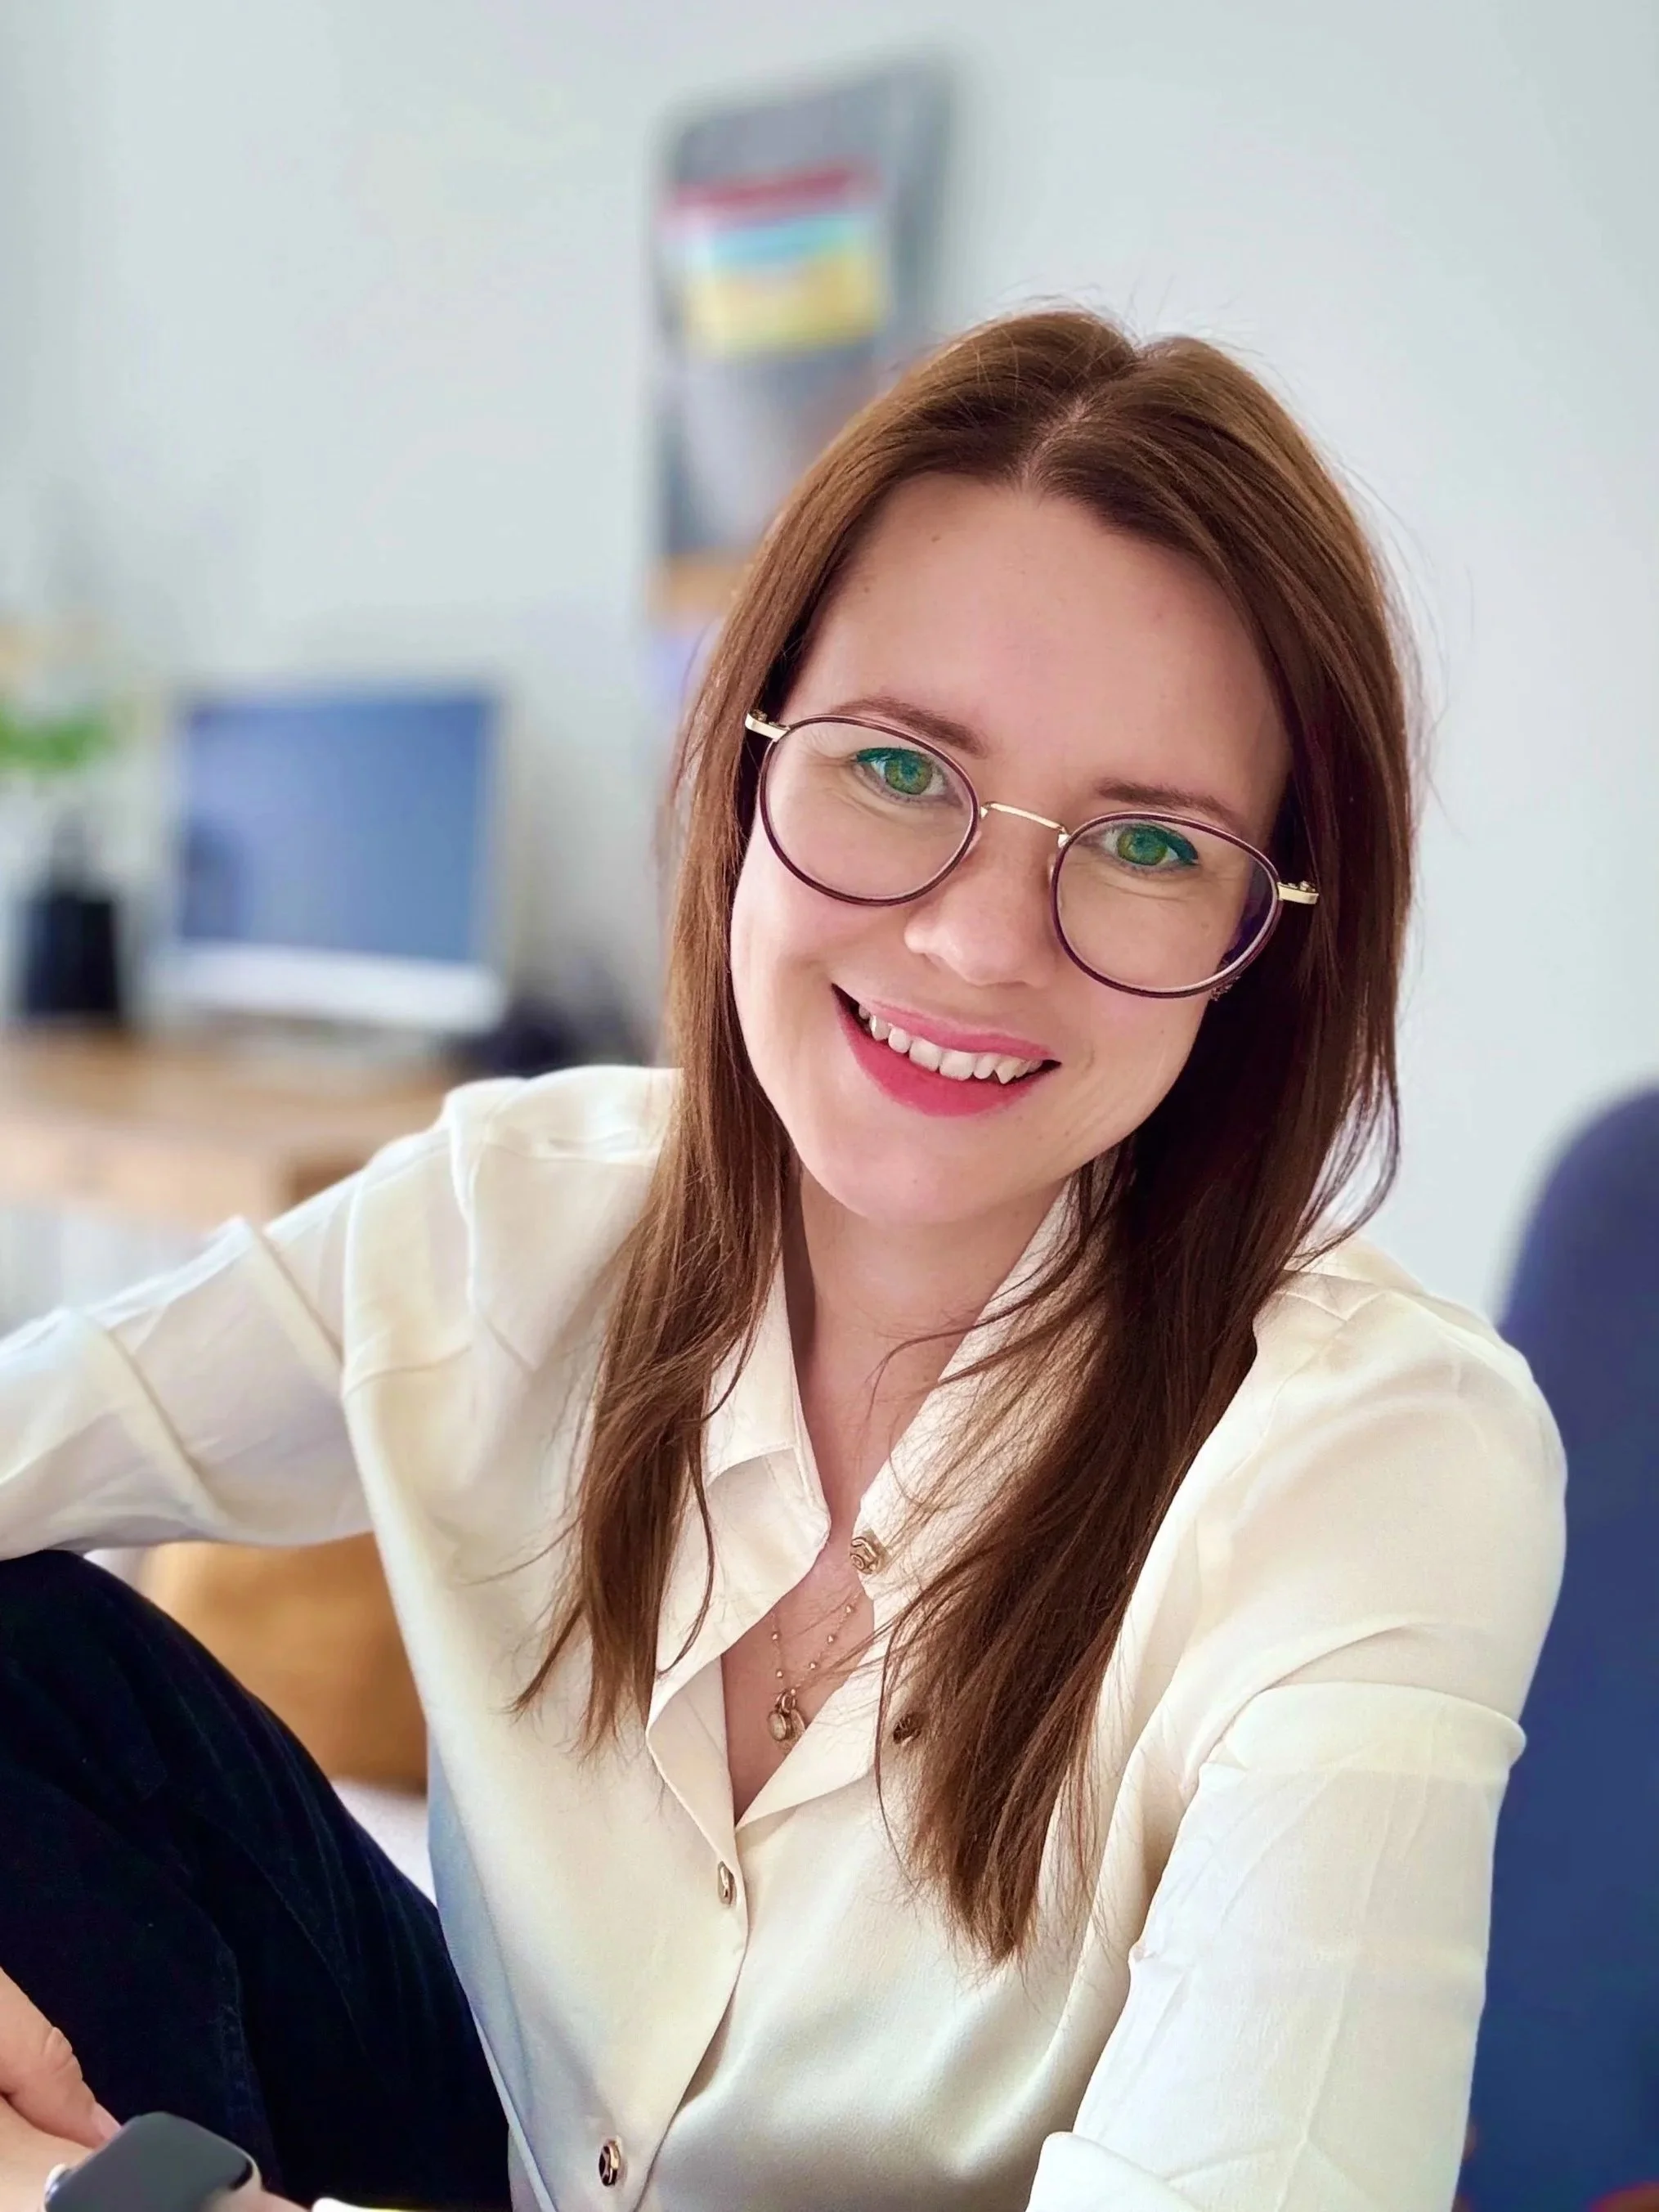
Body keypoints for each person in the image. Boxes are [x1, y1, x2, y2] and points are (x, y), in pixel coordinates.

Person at [0, 310, 1563, 2212]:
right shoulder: (521, 1210)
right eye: (901, 769)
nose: (984, 943)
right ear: (746, 762)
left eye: (1149, 838)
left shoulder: (1380, 1460)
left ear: (1268, 941)